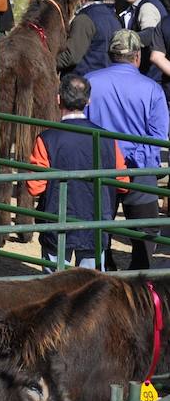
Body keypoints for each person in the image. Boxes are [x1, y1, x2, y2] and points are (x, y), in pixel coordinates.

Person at [26, 73, 128, 271]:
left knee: (54, 287)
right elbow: (123, 182)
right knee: (89, 289)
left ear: (58, 99)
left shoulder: (46, 139)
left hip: (57, 223)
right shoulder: (107, 138)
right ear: (88, 101)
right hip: (94, 224)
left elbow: (34, 186)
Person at [86, 30, 168, 271]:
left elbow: (81, 125)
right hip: (139, 170)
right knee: (146, 233)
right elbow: (158, 137)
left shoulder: (89, 81)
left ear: (111, 55)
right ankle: (140, 281)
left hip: (101, 168)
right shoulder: (152, 89)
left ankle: (104, 271)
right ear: (137, 56)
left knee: (98, 227)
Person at [58, 0, 119, 76]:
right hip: (106, 78)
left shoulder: (84, 19)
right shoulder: (113, 17)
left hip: (82, 82)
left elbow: (70, 56)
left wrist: (44, 61)